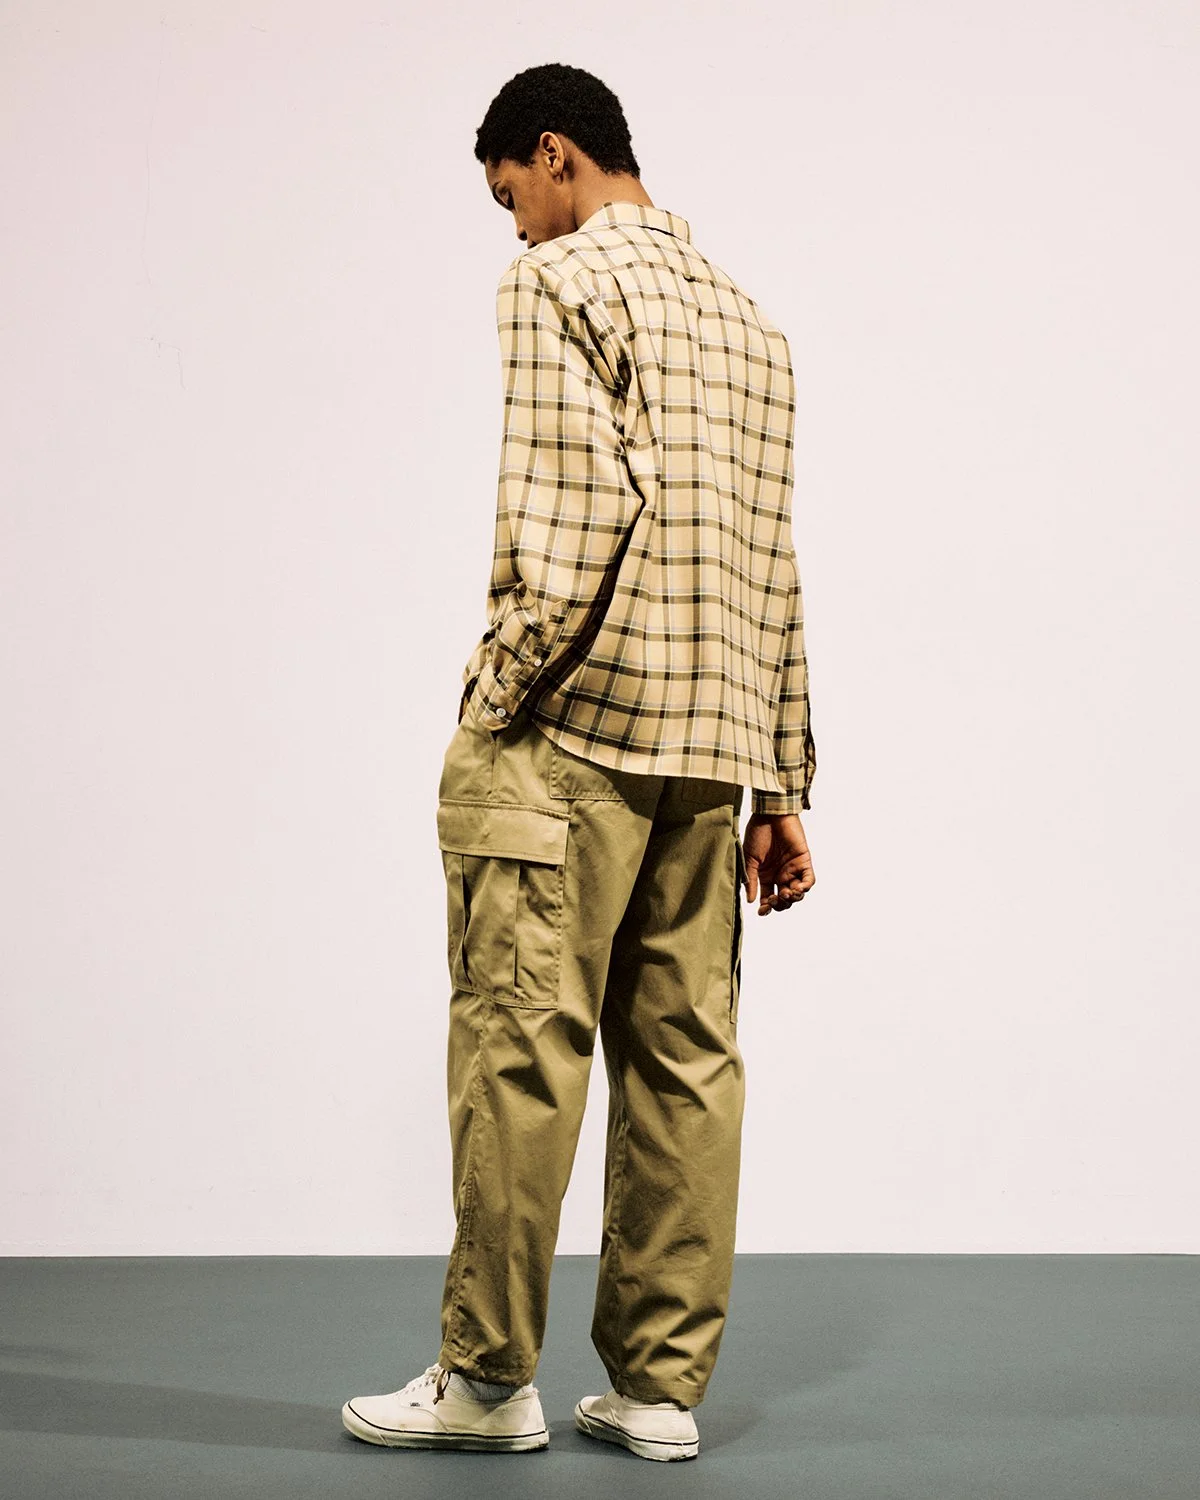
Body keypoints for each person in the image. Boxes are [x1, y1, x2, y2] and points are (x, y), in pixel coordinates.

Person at [342, 60, 817, 1463]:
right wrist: (783, 784)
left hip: (575, 740)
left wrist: (493, 696)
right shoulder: (753, 324)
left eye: (512, 196)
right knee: (686, 1060)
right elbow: (774, 566)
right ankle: (660, 1393)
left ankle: (490, 1382)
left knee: (519, 1049)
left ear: (555, 154)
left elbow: (569, 520)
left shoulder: (555, 283)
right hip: (713, 754)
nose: (515, 226)